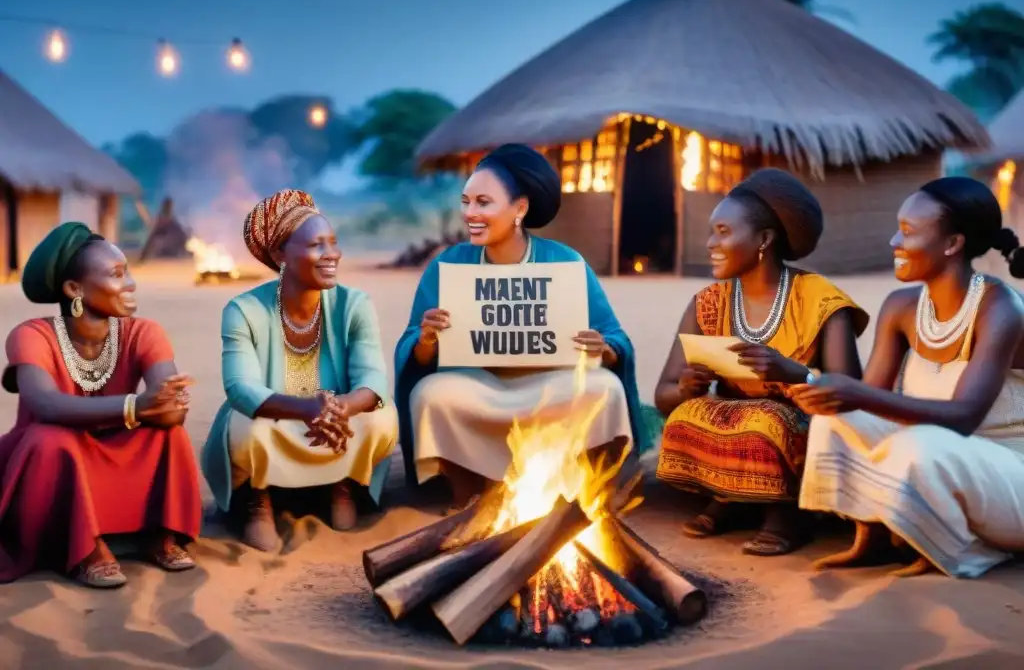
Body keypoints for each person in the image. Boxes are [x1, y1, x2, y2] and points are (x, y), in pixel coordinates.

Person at [393, 143, 650, 507]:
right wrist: (426, 339)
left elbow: (614, 341)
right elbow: (414, 356)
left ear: (520, 208)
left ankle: (583, 492)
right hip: (475, 387)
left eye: (484, 202)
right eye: (466, 202)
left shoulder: (564, 262)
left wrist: (603, 348)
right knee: (430, 395)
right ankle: (469, 496)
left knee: (606, 389)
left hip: (550, 386)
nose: (470, 213)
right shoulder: (448, 264)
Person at [794, 176, 1024, 578]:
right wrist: (822, 391)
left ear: (953, 244)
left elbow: (965, 416)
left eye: (907, 232)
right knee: (837, 420)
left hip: (1009, 473)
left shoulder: (1000, 307)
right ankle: (874, 537)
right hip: (944, 454)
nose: (893, 243)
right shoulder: (901, 306)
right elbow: (869, 403)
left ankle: (966, 548)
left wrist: (857, 395)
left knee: (921, 444)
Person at [653, 168, 868, 556]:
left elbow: (854, 401)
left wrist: (796, 373)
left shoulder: (821, 300)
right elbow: (664, 397)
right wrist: (686, 388)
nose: (710, 244)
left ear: (764, 239)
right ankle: (733, 497)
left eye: (723, 232)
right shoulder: (707, 302)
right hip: (741, 422)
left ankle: (791, 514)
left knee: (765, 421)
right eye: (711, 232)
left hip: (804, 428)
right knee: (688, 417)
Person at [0, 222, 201, 588]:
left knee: (168, 435)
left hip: (116, 446)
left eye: (128, 273)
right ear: (75, 289)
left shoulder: (145, 332)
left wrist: (170, 405)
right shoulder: (31, 336)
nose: (131, 284)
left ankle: (156, 534)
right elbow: (45, 404)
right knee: (50, 440)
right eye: (117, 275)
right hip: (52, 458)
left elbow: (168, 408)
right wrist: (136, 407)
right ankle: (83, 547)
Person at [201, 190, 397, 552]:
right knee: (245, 423)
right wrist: (308, 410)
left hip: (336, 423)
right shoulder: (243, 310)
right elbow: (241, 389)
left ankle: (343, 484)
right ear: (280, 255)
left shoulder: (354, 305)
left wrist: (341, 409)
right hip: (278, 422)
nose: (331, 255)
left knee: (382, 417)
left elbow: (373, 381)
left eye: (333, 243)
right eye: (316, 245)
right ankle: (258, 499)